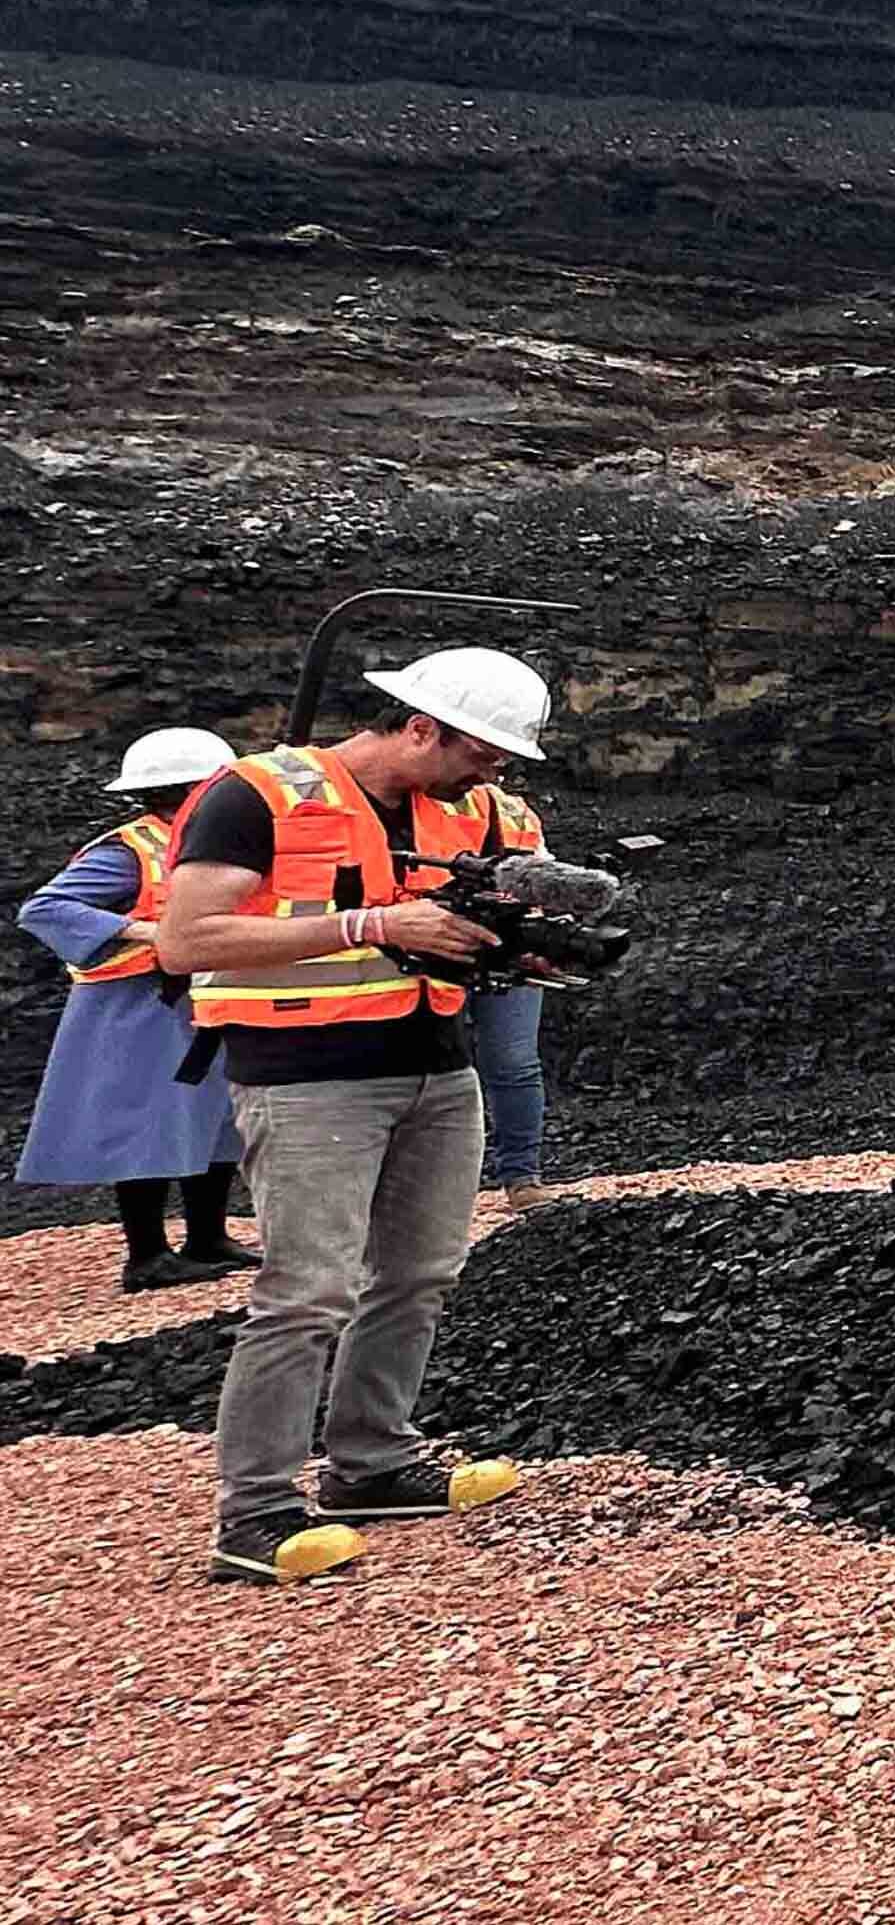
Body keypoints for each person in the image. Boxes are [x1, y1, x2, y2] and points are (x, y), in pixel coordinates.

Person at [159, 647, 554, 1586]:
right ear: (421, 727)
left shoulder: (473, 811)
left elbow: (488, 909)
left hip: (433, 1064)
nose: (493, 772)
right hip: (305, 1076)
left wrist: (521, 947)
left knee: (420, 1272)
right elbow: (186, 937)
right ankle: (254, 1512)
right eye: (483, 753)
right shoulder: (255, 795)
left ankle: (369, 1464)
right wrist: (370, 926)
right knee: (308, 1290)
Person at [17, 728, 256, 1292]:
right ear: (197, 791)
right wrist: (148, 932)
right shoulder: (130, 850)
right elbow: (46, 907)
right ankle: (147, 1255)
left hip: (202, 999)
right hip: (137, 1007)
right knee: (146, 1121)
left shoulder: (204, 845)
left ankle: (206, 1238)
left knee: (215, 1120)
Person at [456, 780, 552, 1209]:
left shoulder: (515, 811)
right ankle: (441, 1182)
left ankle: (522, 1176)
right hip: (439, 947)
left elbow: (545, 878)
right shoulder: (414, 805)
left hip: (511, 949)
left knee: (514, 1064)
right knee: (439, 1074)